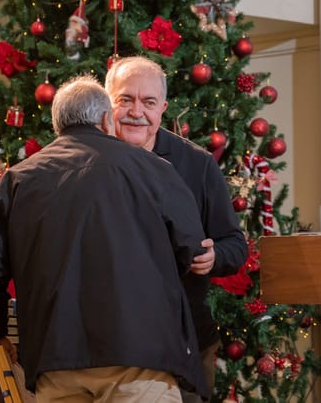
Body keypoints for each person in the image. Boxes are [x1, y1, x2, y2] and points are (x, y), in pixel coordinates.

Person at [0, 75, 208, 401]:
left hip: (56, 360)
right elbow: (192, 250)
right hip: (141, 356)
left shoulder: (18, 180)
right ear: (106, 119)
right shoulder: (154, 169)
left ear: (57, 125)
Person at [104, 56, 248, 401]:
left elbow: (235, 244)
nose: (136, 111)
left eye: (148, 102)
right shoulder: (86, 160)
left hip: (185, 340)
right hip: (107, 343)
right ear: (107, 102)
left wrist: (214, 257)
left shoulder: (196, 164)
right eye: (125, 99)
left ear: (163, 108)